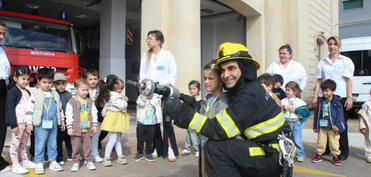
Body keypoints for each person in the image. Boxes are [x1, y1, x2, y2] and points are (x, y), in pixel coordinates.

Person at [163, 42, 284, 177]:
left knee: (216, 149)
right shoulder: (244, 89)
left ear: (244, 68)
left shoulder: (249, 96)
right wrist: (182, 97)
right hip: (267, 149)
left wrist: (179, 112)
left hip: (270, 156)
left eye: (231, 68)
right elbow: (204, 107)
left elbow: (217, 129)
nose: (226, 74)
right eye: (222, 70)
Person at [313, 36, 355, 161]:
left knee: (340, 124)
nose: (332, 46)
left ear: (339, 46)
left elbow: (348, 81)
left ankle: (342, 151)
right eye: (330, 44)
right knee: (324, 123)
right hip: (324, 97)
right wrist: (316, 96)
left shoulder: (345, 61)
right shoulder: (322, 62)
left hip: (339, 97)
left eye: (335, 44)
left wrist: (349, 97)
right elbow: (319, 81)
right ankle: (325, 149)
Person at [139, 30, 178, 161]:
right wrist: (143, 92)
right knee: (153, 123)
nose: (148, 41)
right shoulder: (145, 56)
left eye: (151, 38)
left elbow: (173, 73)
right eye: (147, 39)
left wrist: (170, 84)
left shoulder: (167, 55)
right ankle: (158, 147)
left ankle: (170, 149)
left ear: (159, 40)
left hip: (165, 92)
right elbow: (142, 75)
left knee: (167, 122)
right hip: (150, 94)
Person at [32, 68, 64, 174]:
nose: (47, 85)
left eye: (49, 82)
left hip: (53, 122)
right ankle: (39, 162)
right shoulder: (35, 94)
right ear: (38, 82)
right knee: (40, 143)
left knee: (52, 143)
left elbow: (59, 108)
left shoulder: (55, 94)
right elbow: (29, 109)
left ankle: (53, 161)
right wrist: (28, 122)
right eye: (44, 82)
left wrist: (62, 120)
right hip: (40, 122)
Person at [5, 67, 36, 174]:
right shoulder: (13, 91)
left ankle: (25, 161)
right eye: (23, 79)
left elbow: (30, 108)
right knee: (15, 144)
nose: (26, 82)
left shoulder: (27, 91)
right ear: (15, 78)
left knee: (24, 144)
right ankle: (15, 165)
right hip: (18, 123)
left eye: (28, 79)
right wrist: (13, 124)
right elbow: (9, 108)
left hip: (26, 123)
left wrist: (29, 122)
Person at [66, 78, 98, 172]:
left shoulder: (90, 101)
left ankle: (89, 160)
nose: (85, 92)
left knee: (87, 146)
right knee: (76, 146)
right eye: (83, 90)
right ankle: (76, 162)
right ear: (76, 89)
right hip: (76, 130)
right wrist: (69, 127)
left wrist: (94, 125)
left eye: (87, 90)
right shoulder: (72, 101)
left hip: (87, 129)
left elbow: (94, 113)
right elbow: (68, 115)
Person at [98, 75, 130, 166]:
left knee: (117, 139)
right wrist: (125, 100)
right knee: (113, 139)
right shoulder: (113, 96)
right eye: (118, 81)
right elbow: (122, 106)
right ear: (115, 85)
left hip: (116, 119)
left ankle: (120, 156)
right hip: (114, 119)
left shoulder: (113, 94)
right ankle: (106, 158)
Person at [312, 79, 345, 166]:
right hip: (322, 125)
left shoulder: (336, 101)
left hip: (333, 126)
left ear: (333, 91)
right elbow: (317, 114)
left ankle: (335, 156)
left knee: (334, 142)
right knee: (321, 141)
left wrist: (337, 125)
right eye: (323, 91)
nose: (325, 93)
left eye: (327, 91)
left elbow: (340, 114)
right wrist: (315, 125)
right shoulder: (320, 101)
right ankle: (319, 154)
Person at [282, 81, 311, 162]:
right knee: (286, 139)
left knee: (297, 139)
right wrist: (284, 107)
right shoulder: (283, 101)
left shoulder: (300, 102)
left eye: (289, 90)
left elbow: (306, 113)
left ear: (295, 91)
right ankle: (287, 153)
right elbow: (278, 109)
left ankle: (300, 154)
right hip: (285, 122)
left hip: (295, 122)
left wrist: (296, 110)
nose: (286, 92)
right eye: (286, 90)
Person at [134, 94, 162, 162]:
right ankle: (140, 153)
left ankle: (148, 153)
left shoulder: (156, 97)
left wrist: (151, 97)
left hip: (151, 122)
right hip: (141, 122)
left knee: (150, 139)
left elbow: (158, 103)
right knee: (140, 138)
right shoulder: (140, 97)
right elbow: (141, 104)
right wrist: (145, 98)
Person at [85, 69, 104, 163]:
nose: (93, 81)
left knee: (95, 137)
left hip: (97, 118)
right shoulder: (84, 90)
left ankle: (95, 154)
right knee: (86, 138)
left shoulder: (100, 91)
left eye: (95, 79)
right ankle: (87, 156)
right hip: (85, 118)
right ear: (86, 80)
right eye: (90, 79)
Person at [54, 73, 73, 165]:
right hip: (59, 121)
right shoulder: (53, 94)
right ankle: (59, 156)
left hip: (68, 120)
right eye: (58, 84)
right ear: (54, 85)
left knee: (69, 139)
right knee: (58, 140)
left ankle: (70, 154)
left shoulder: (69, 94)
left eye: (63, 83)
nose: (61, 86)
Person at [181, 80, 201, 158]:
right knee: (188, 135)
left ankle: (197, 150)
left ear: (198, 90)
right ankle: (187, 148)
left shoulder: (199, 100)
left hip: (196, 121)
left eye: (194, 89)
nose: (191, 90)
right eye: (190, 89)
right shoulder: (189, 99)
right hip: (189, 120)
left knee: (194, 135)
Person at [0, 20, 10, 171]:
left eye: (3, 33)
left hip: (2, 87)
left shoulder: (2, 51)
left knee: (1, 125)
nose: (1, 36)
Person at [358, 90, 371, 163]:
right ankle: (369, 154)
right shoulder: (367, 104)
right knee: (369, 141)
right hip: (369, 126)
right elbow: (362, 115)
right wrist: (362, 126)